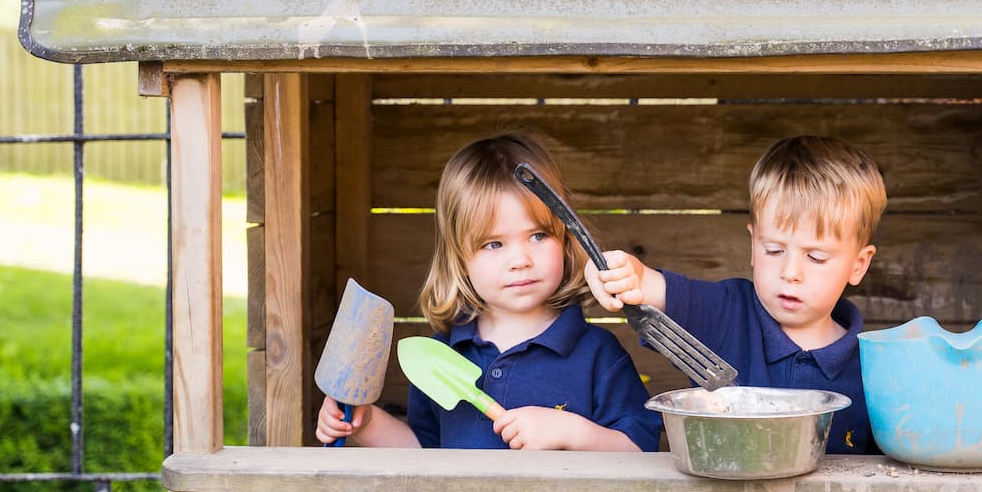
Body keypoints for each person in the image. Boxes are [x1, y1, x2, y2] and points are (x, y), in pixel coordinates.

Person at [315, 132, 661, 451]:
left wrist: (572, 433)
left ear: (565, 239)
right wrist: (367, 423)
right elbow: (423, 454)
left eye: (538, 236)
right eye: (493, 244)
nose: (520, 260)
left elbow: (639, 449)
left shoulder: (597, 355)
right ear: (459, 258)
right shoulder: (443, 355)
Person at [585, 135, 886, 453]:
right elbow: (649, 287)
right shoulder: (726, 314)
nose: (790, 272)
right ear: (753, 245)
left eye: (815, 257)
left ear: (858, 264)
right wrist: (618, 270)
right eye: (774, 250)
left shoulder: (873, 369)